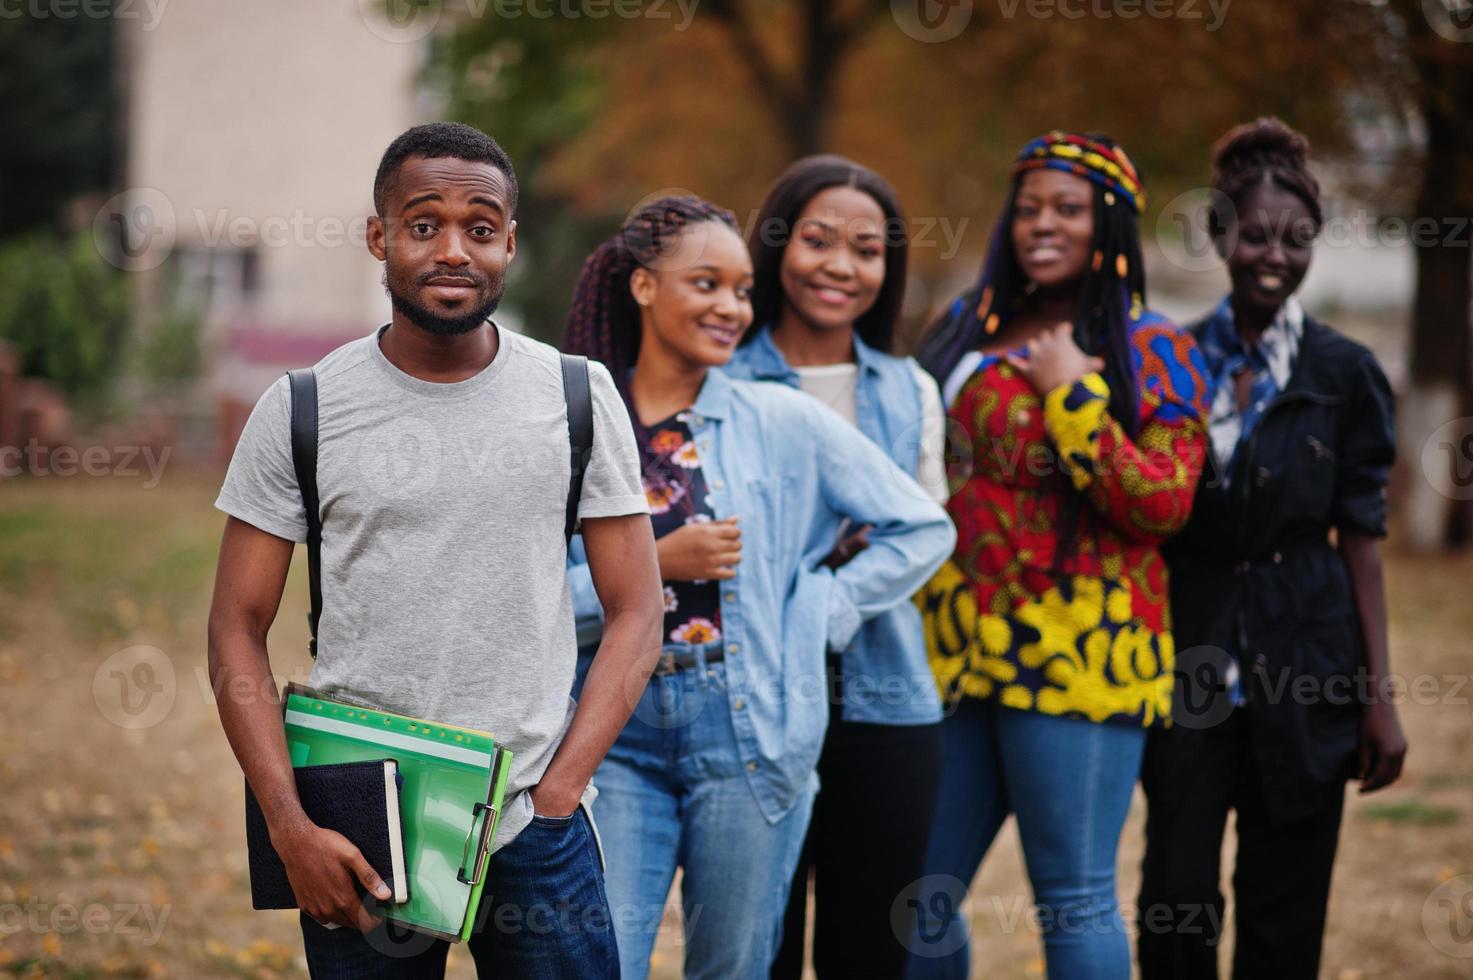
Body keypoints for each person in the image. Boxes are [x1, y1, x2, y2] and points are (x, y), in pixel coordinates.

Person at [206, 122, 664, 979]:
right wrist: (288, 822)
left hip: (534, 824)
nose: (453, 250)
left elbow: (639, 611)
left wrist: (559, 796)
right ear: (379, 238)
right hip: (359, 817)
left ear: (510, 243)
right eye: (423, 225)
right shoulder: (301, 408)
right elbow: (236, 626)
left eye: (479, 228)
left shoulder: (576, 395)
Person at [561, 194, 956, 980]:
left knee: (733, 968)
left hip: (745, 734)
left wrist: (819, 607)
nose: (731, 308)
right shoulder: (578, 421)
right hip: (612, 734)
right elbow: (528, 596)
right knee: (599, 961)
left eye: (741, 290)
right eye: (705, 284)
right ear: (643, 286)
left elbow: (924, 525)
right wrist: (657, 563)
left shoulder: (781, 419)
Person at [907, 131, 1210, 980]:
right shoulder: (962, 329)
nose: (1043, 224)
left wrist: (1071, 393)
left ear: (1107, 225)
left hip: (1082, 657)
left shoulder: (1152, 348)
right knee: (913, 894)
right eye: (1029, 207)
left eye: (1068, 209)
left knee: (1071, 896)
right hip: (952, 658)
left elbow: (1163, 502)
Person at [1136, 117, 1407, 980]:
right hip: (1187, 671)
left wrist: (1378, 698)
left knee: (1284, 911)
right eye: (1254, 234)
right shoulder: (1163, 360)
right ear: (1218, 233)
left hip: (1308, 671)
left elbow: (1361, 538)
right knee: (1175, 904)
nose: (1274, 255)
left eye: (1297, 240)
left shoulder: (1344, 373)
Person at [722, 155, 948, 980]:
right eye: (817, 241)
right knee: (757, 946)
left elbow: (923, 530)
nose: (841, 266)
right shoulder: (720, 374)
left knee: (868, 951)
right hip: (750, 703)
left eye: (867, 248)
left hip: (887, 707)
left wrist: (828, 597)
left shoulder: (906, 386)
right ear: (775, 246)